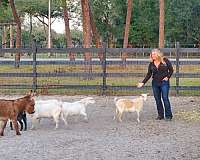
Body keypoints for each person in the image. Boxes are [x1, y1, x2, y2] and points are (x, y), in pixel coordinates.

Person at [137, 49, 174, 121]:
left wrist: (168, 77)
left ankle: (168, 116)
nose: (152, 55)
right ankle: (160, 115)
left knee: (165, 98)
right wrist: (143, 82)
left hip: (164, 83)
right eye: (151, 54)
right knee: (157, 99)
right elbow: (149, 74)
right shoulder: (151, 64)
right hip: (155, 83)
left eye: (154, 54)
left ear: (158, 54)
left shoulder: (165, 60)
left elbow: (171, 70)